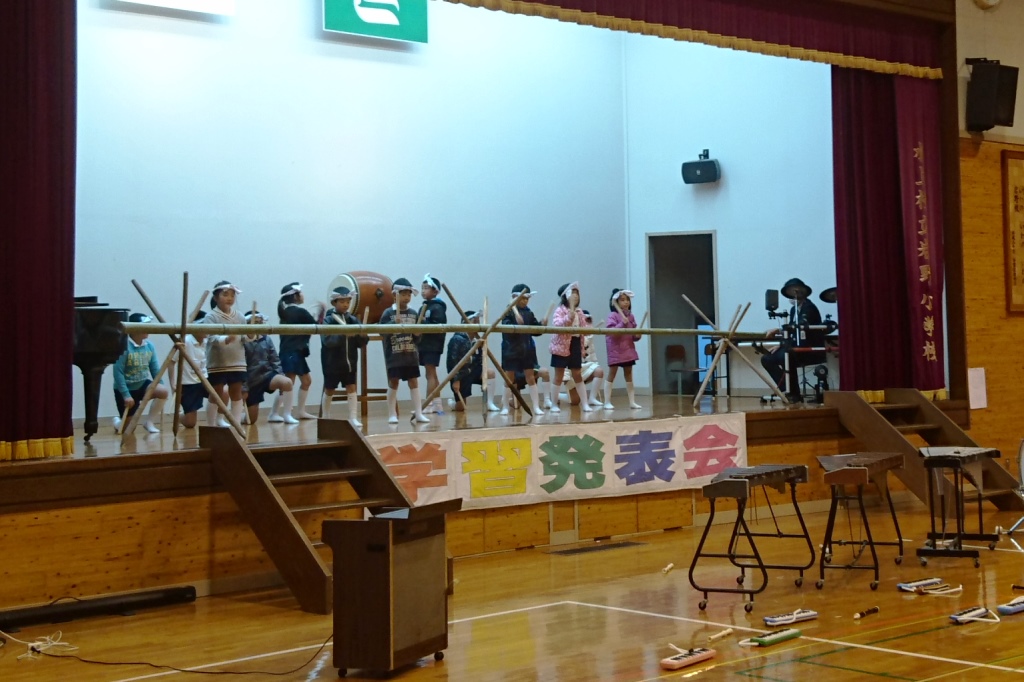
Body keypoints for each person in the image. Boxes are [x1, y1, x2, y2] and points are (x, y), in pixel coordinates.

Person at [761, 277, 825, 400]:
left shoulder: (809, 307)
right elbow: (791, 333)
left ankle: (794, 394)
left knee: (787, 355)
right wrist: (781, 344)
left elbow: (799, 325)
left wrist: (778, 330)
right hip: (794, 347)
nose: (793, 295)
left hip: (809, 349)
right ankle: (787, 389)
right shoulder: (793, 310)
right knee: (767, 359)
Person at [379, 277, 430, 424]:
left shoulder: (413, 313)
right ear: (395, 295)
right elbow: (381, 332)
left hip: (410, 355)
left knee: (414, 382)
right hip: (394, 355)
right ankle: (392, 414)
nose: (407, 297)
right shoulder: (388, 313)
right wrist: (392, 323)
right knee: (393, 383)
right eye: (403, 294)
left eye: (408, 294)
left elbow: (417, 339)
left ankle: (418, 413)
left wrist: (417, 335)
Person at [201, 280, 249, 427]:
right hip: (218, 362)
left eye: (232, 295)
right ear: (216, 297)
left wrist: (251, 335)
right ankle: (210, 425)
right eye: (225, 294)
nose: (230, 298)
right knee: (216, 393)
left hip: (237, 361)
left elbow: (245, 338)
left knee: (236, 392)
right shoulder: (211, 317)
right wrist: (226, 339)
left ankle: (236, 425)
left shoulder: (240, 316)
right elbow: (211, 337)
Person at [112, 312, 168, 433]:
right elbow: (118, 372)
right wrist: (126, 395)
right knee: (128, 429)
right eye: (145, 326)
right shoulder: (123, 347)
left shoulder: (149, 346)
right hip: (126, 388)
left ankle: (149, 422)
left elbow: (154, 368)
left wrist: (160, 383)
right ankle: (118, 423)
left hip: (142, 384)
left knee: (163, 391)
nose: (148, 329)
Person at [320, 286, 368, 427]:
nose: (346, 305)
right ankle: (326, 416)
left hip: (350, 362)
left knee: (351, 387)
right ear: (334, 303)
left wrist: (363, 336)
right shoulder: (328, 320)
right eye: (342, 302)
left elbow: (360, 343)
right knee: (329, 389)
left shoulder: (352, 320)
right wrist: (343, 335)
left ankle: (353, 417)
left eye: (348, 301)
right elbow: (327, 341)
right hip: (332, 363)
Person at [277, 282, 322, 420]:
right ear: (295, 296)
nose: (303, 295)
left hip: (293, 352)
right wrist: (322, 312)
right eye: (300, 293)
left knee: (305, 381)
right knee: (288, 383)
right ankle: (285, 414)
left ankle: (299, 411)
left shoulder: (286, 312)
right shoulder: (299, 312)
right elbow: (317, 327)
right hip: (292, 352)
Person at [499, 283, 546, 416]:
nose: (525, 301)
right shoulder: (508, 312)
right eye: (523, 298)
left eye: (527, 299)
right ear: (515, 298)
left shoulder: (528, 312)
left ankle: (536, 407)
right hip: (511, 350)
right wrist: (516, 322)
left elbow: (535, 330)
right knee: (509, 378)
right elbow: (506, 330)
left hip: (527, 350)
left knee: (530, 377)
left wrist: (542, 325)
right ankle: (505, 407)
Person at [243, 311, 296, 425]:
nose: (258, 325)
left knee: (287, 382)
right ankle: (242, 416)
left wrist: (280, 375)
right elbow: (241, 366)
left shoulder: (266, 339)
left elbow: (274, 359)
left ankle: (285, 414)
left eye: (259, 323)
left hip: (267, 375)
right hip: (251, 381)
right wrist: (244, 387)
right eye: (254, 323)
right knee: (251, 420)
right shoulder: (242, 341)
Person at [549, 282, 592, 412]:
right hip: (561, 346)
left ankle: (585, 404)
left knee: (577, 374)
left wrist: (588, 327)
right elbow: (558, 325)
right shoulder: (560, 310)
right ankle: (554, 404)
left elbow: (584, 329)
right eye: (572, 293)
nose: (575, 296)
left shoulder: (580, 312)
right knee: (559, 375)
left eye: (577, 293)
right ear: (566, 295)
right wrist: (570, 315)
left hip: (575, 343)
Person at [445, 310, 499, 412]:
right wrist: (456, 380)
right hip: (461, 374)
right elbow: (452, 362)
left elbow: (479, 361)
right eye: (475, 322)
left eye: (478, 322)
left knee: (490, 372)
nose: (477, 325)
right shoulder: (457, 339)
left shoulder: (476, 340)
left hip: (473, 370)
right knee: (461, 407)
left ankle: (489, 403)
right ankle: (453, 404)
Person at [170, 309, 209, 428]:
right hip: (188, 384)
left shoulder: (207, 341)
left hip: (204, 380)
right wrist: (173, 384)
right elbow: (171, 362)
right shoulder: (185, 342)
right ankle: (179, 416)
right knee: (190, 423)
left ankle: (215, 422)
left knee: (222, 393)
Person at [604, 288, 642, 410]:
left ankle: (632, 402)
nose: (626, 302)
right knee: (612, 373)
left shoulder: (631, 316)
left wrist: (637, 336)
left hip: (628, 350)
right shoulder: (612, 315)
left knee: (629, 374)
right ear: (616, 302)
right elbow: (611, 333)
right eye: (622, 300)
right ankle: (607, 401)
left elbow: (632, 336)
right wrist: (622, 324)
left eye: (627, 300)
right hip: (615, 350)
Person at [417, 274, 447, 414]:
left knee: (430, 374)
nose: (423, 291)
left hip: (432, 345)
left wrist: (424, 322)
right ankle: (437, 403)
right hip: (424, 344)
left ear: (435, 291)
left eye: (426, 288)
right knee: (431, 373)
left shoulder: (437, 307)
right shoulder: (424, 306)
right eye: (422, 288)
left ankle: (429, 403)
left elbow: (437, 326)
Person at [561, 310, 605, 407]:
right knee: (575, 401)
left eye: (588, 321)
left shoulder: (590, 337)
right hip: (571, 371)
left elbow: (591, 355)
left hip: (585, 367)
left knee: (599, 371)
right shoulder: (570, 337)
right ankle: (556, 396)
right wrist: (565, 376)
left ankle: (592, 398)